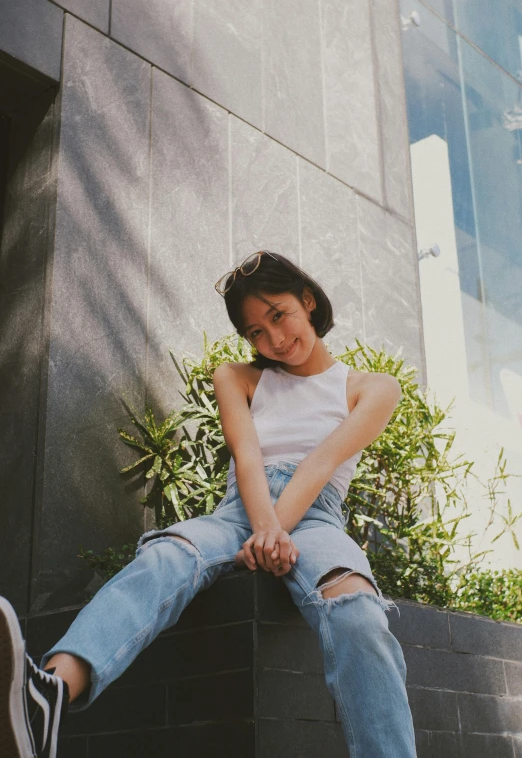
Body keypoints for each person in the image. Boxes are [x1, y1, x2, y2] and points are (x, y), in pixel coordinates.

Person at [0, 250, 417, 757]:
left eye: (278, 315)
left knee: (358, 612)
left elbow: (319, 464)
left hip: (316, 517)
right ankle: (47, 696)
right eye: (255, 332)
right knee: (166, 555)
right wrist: (264, 529)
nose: (273, 339)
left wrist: (275, 532)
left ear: (308, 301)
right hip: (239, 511)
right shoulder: (237, 376)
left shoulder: (371, 388)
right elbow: (246, 458)